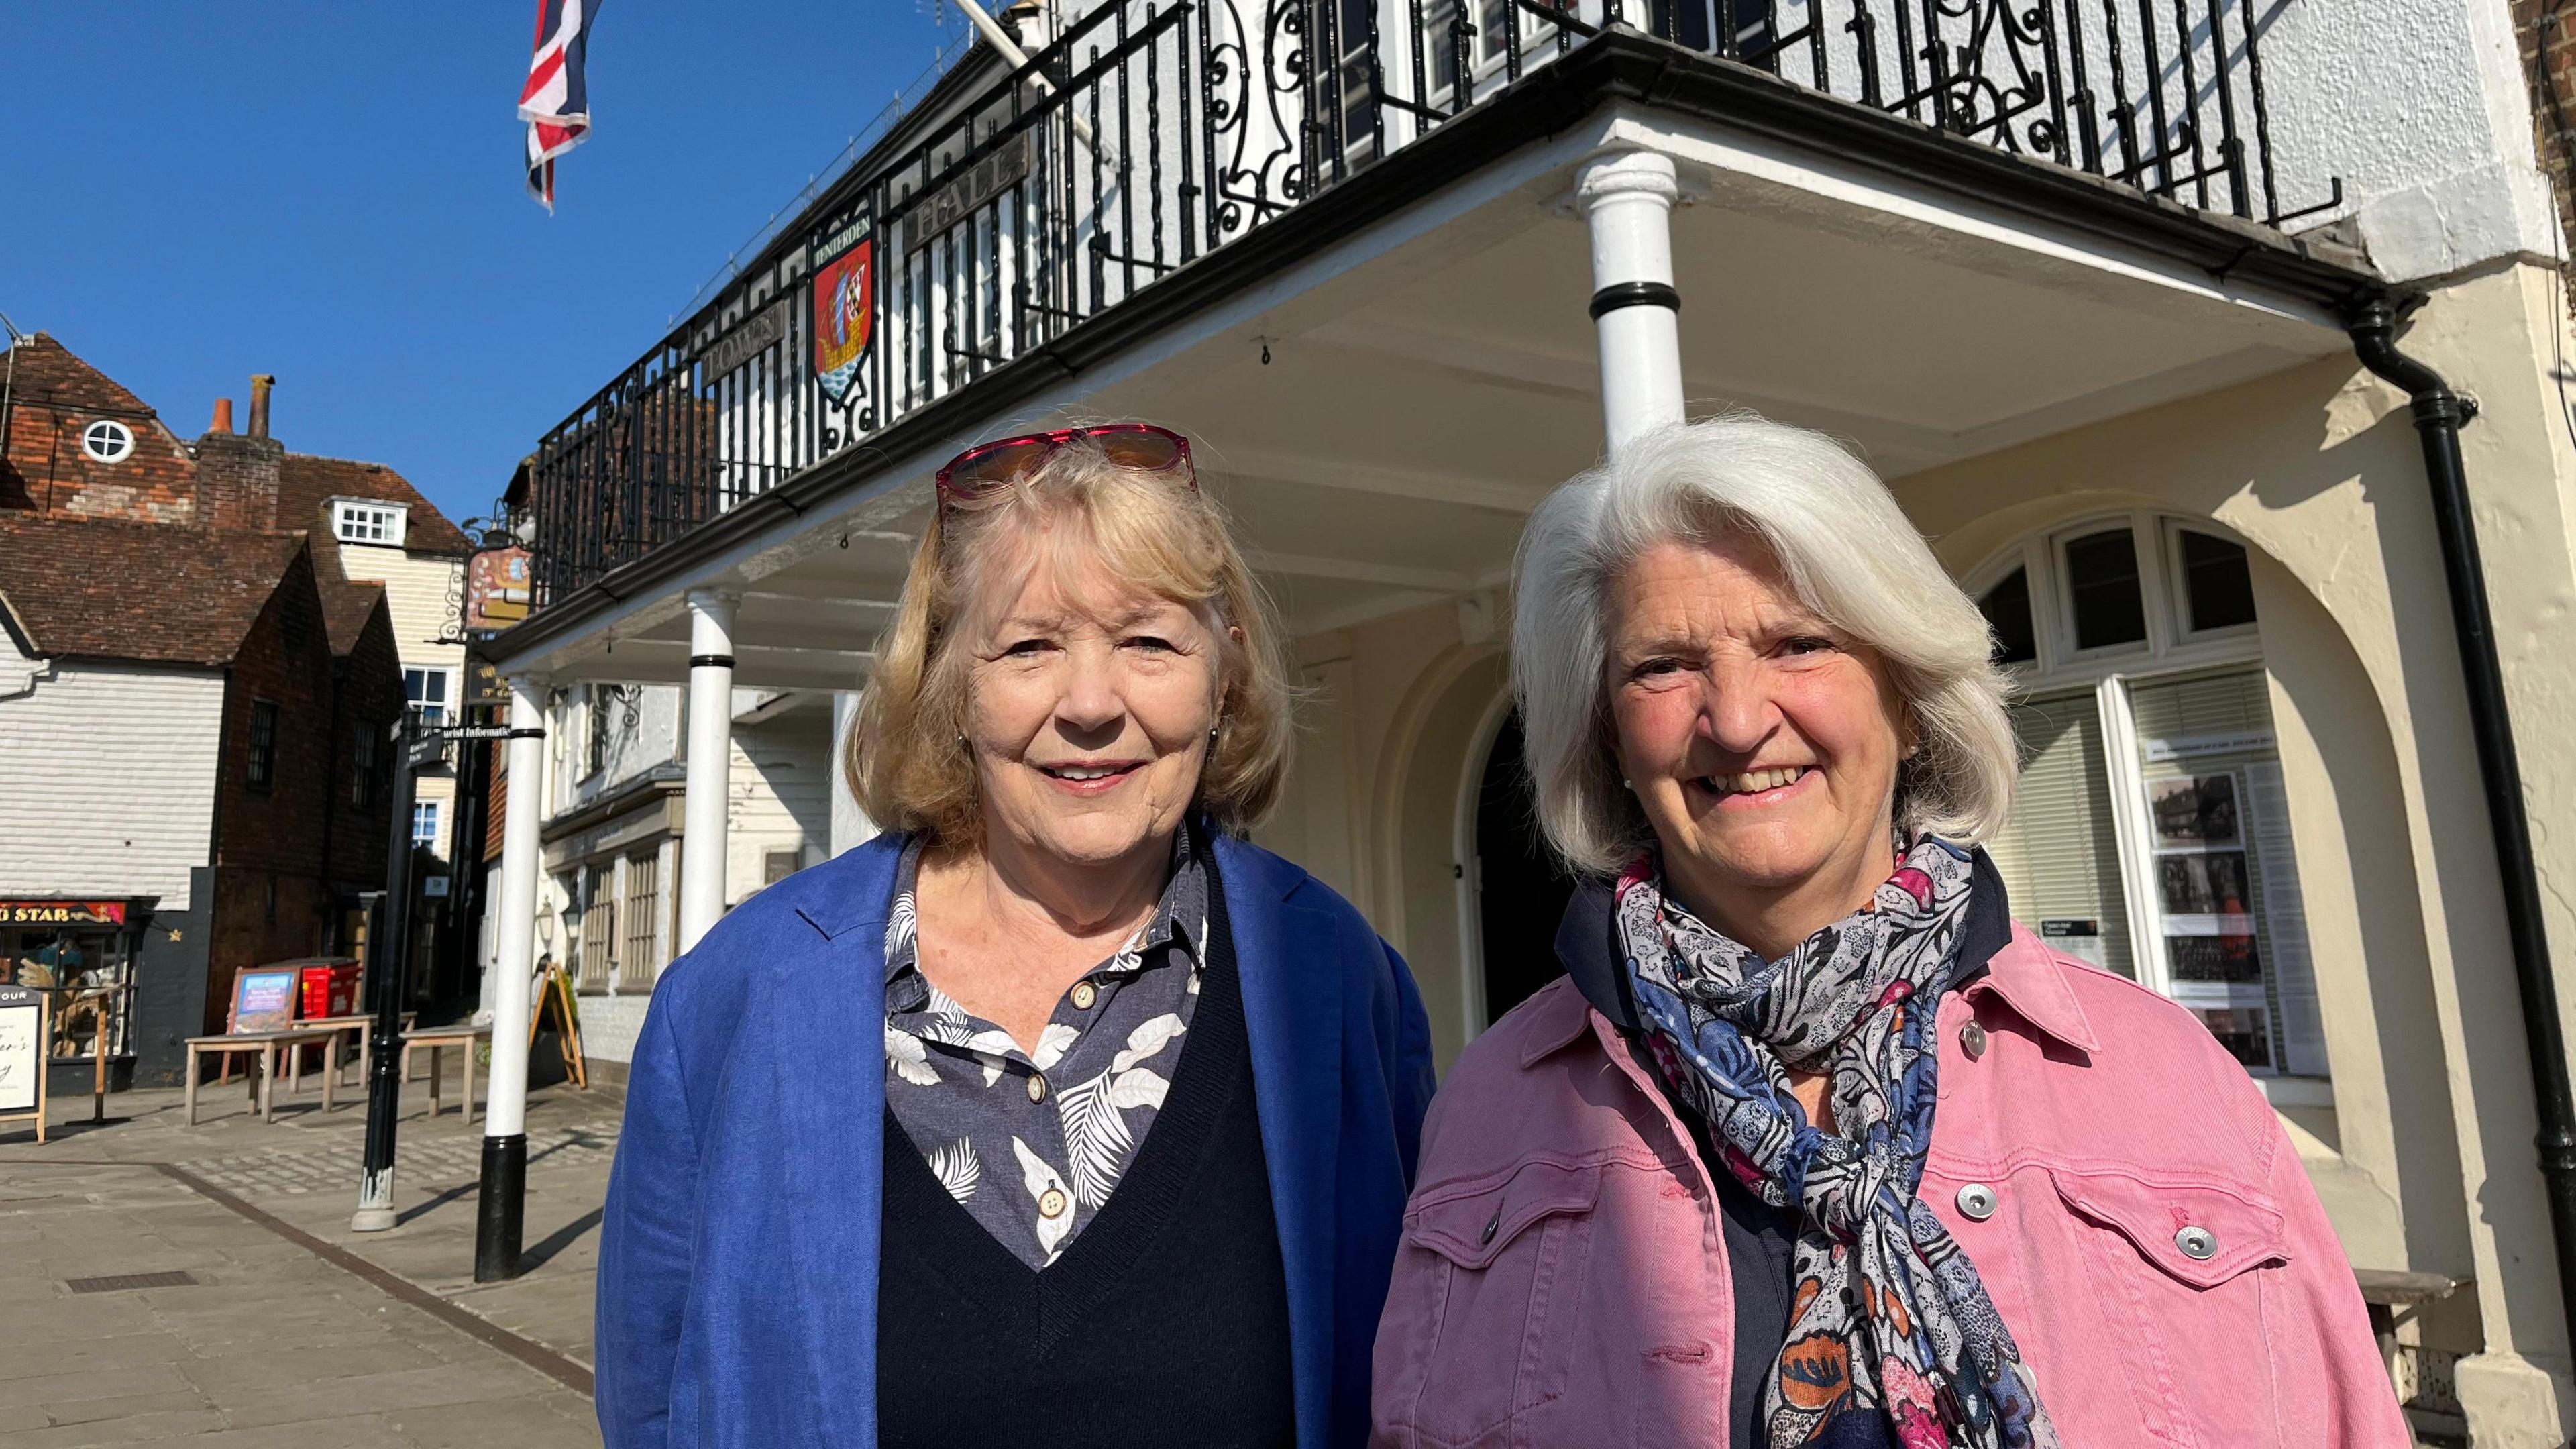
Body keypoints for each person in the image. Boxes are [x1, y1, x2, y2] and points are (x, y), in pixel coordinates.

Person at [1370, 416, 2404, 1447]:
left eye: (1801, 644)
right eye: (1663, 667)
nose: (1735, 719)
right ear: (1604, 733)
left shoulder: (2162, 1078)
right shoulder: (1494, 1110)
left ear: (1907, 697)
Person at [598, 423, 1436, 1449]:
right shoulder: (733, 999)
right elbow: (654, 1406)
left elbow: (1413, 1380)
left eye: (1149, 642)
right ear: (950, 686)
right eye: (1030, 646)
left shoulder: (1342, 982)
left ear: (1226, 678)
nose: (1091, 705)